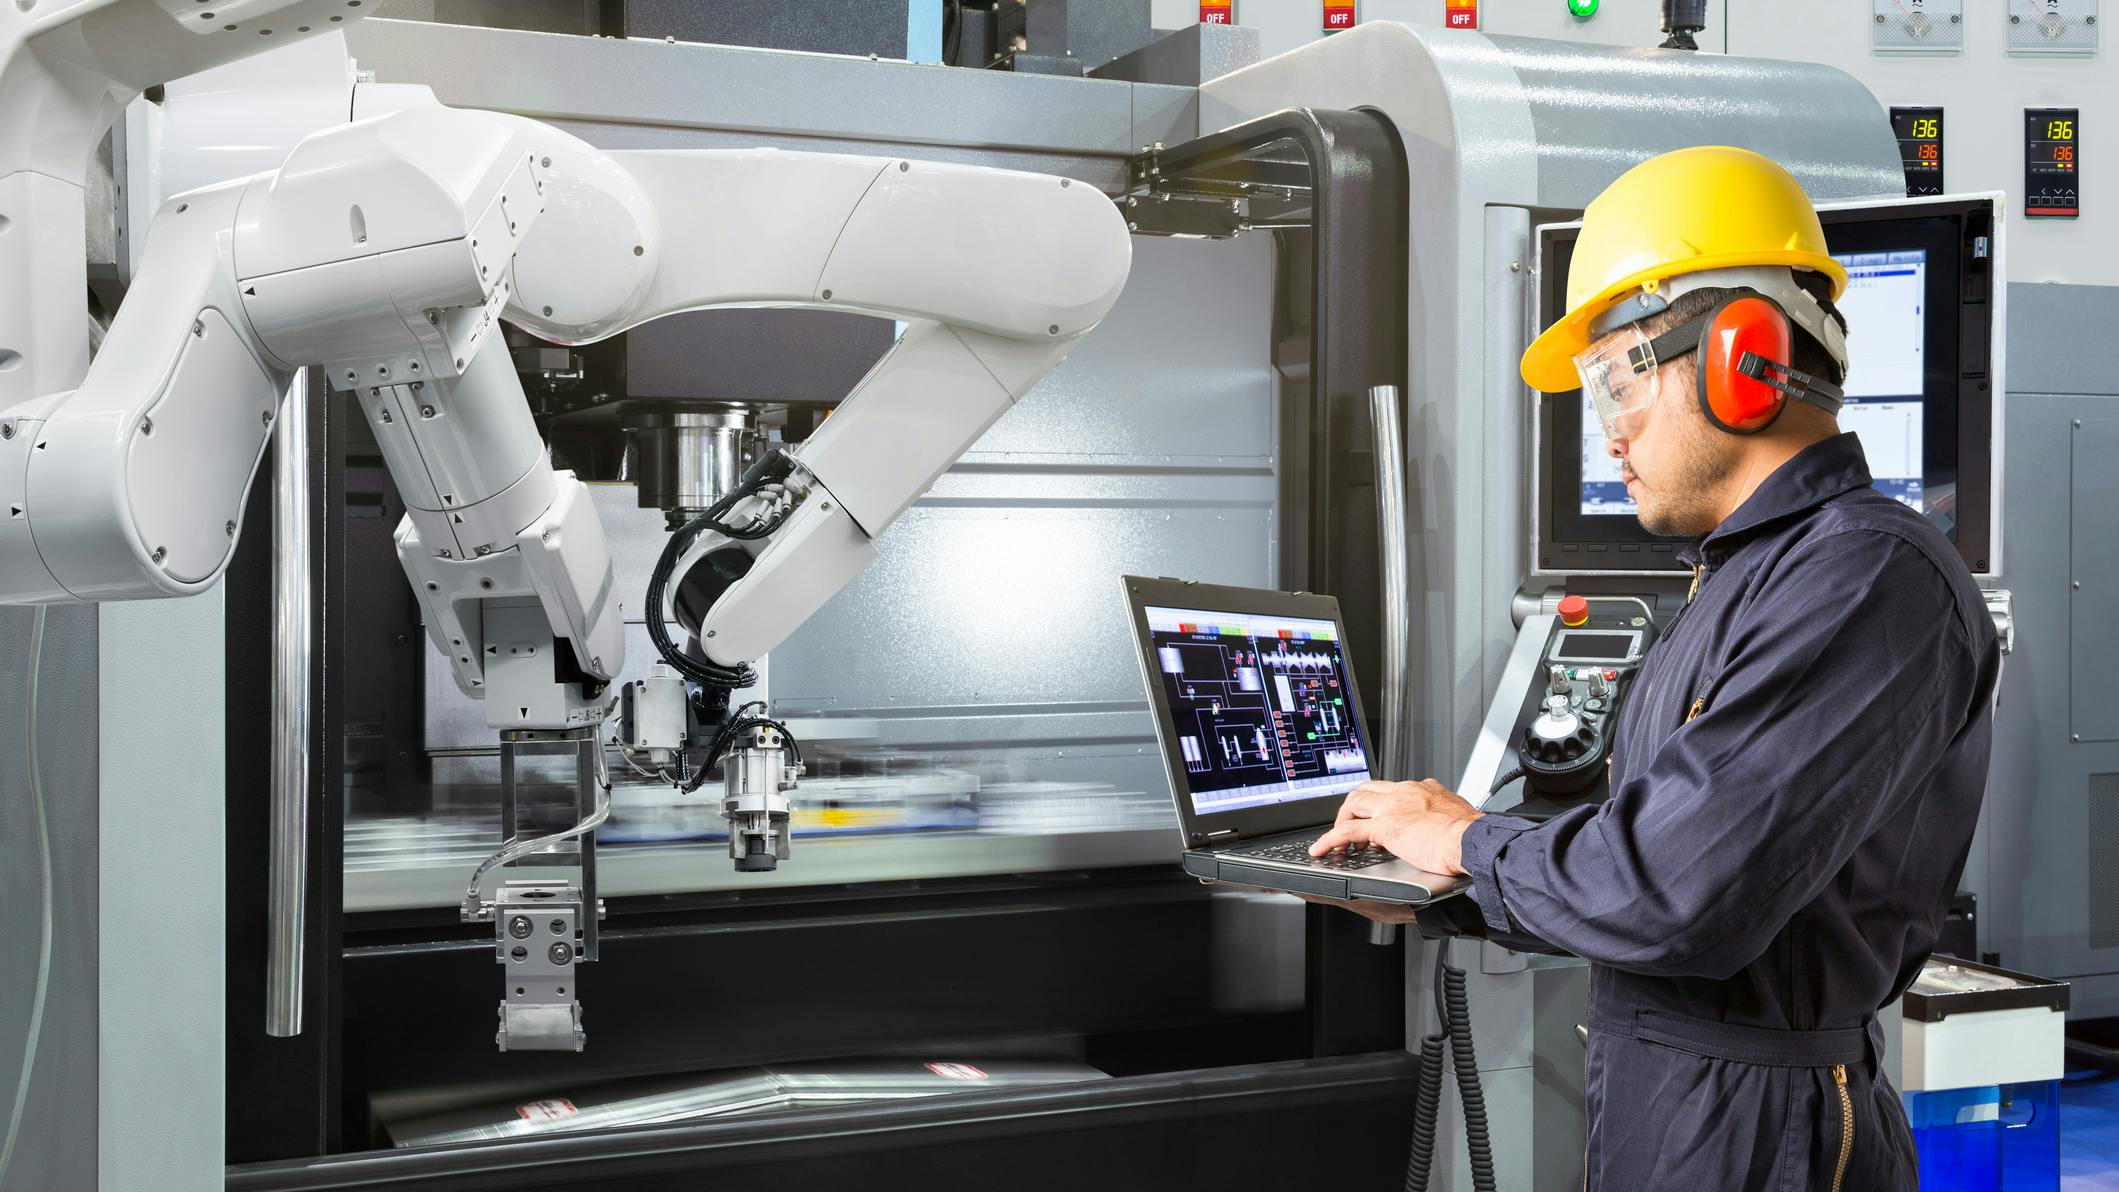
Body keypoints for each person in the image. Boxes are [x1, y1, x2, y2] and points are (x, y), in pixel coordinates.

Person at [1304, 146, 1999, 1190]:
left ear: (1742, 356)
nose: (1609, 435)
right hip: (1678, 1102)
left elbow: (1675, 889)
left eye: (1618, 381)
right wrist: (1442, 889)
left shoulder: (1866, 578)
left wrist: (1465, 841)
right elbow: (1651, 845)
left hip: (1763, 1133)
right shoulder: (1744, 578)